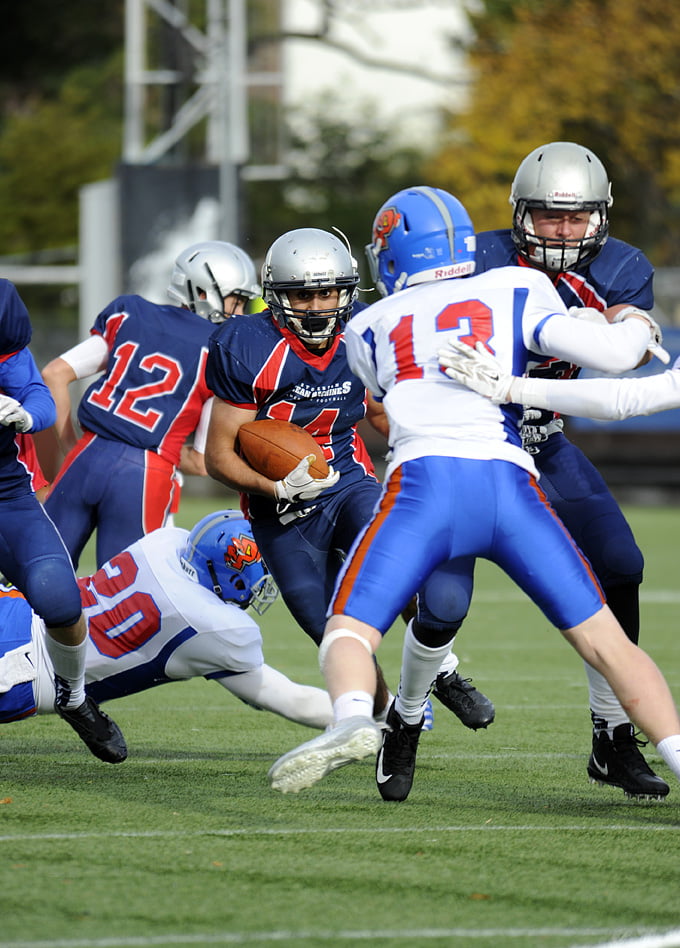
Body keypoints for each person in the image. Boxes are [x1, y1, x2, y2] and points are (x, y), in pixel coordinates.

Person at [267, 185, 680, 802]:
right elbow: (621, 370)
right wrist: (616, 326)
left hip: (425, 486)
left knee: (349, 630)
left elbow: (386, 390)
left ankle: (353, 716)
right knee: (607, 643)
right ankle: (674, 751)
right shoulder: (519, 285)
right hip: (508, 481)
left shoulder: (366, 325)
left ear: (391, 255)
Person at [203, 227, 494, 730]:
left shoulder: (365, 328)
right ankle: (386, 720)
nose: (317, 307)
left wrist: (431, 448)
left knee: (399, 561)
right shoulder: (247, 344)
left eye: (328, 293)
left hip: (347, 481)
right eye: (302, 295)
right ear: (275, 296)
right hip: (280, 511)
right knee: (330, 631)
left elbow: (380, 412)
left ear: (348, 290)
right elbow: (218, 456)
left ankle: (442, 670)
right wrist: (277, 487)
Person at [470, 141, 670, 799]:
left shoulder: (621, 267)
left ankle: (613, 735)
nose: (560, 231)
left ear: (600, 215)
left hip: (542, 437)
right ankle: (401, 712)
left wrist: (627, 327)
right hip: (465, 443)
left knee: (620, 564)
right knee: (439, 598)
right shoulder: (475, 257)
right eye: (547, 216)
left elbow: (626, 359)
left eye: (575, 217)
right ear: (519, 214)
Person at [0, 510, 334, 732]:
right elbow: (294, 701)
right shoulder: (214, 625)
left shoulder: (164, 544)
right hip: (28, 669)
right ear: (230, 577)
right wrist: (357, 716)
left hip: (18, 607)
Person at [40, 240, 260, 570]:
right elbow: (202, 462)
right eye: (237, 300)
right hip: (144, 474)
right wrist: (169, 453)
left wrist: (72, 446)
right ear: (202, 292)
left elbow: (54, 373)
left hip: (86, 455)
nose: (240, 312)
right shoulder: (219, 351)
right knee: (127, 588)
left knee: (36, 575)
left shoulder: (132, 313)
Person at [0, 278, 126, 763]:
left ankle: (72, 695)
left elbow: (38, 394)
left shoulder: (3, 316)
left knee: (58, 595)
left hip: (5, 495)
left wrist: (22, 415)